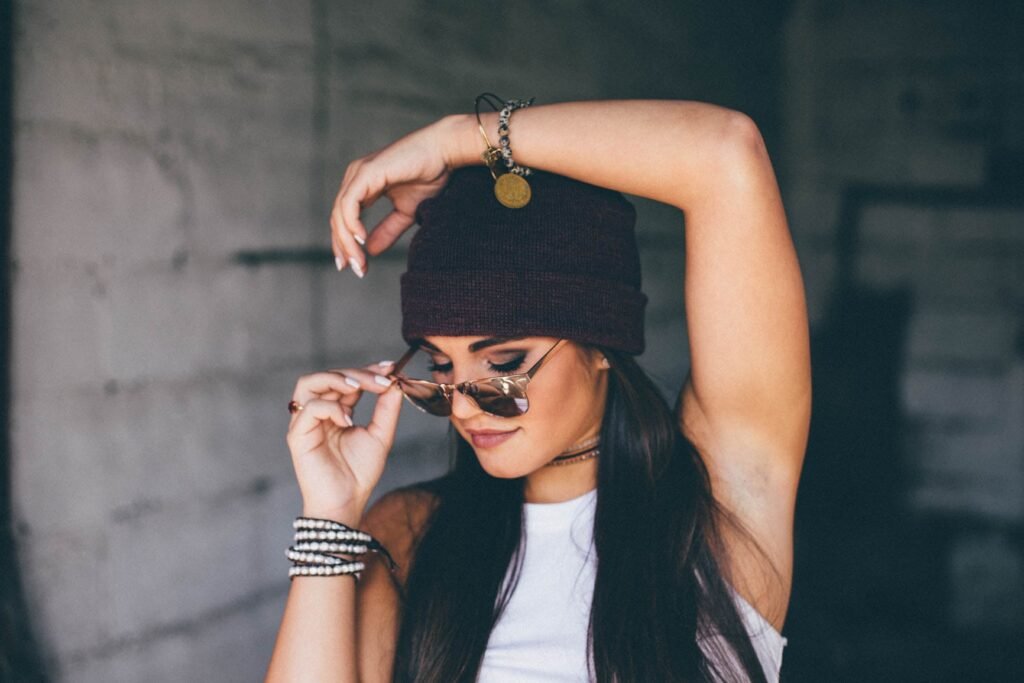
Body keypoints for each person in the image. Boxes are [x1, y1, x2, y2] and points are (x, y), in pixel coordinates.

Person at [265, 97, 811, 682]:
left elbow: (724, 152)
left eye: (504, 363)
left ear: (600, 344)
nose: (466, 405)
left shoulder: (715, 508)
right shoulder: (413, 532)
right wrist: (329, 514)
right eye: (440, 369)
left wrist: (455, 140)